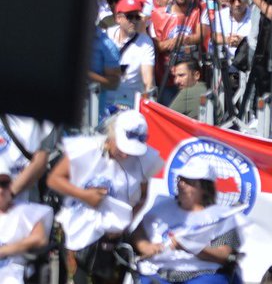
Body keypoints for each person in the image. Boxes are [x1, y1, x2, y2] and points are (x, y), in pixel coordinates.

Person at [49, 111, 163, 283]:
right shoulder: (87, 149)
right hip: (79, 229)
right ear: (112, 134)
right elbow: (54, 179)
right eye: (122, 148)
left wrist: (127, 221)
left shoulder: (144, 160)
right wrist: (84, 195)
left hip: (114, 238)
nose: (125, 155)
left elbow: (143, 195)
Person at [131, 158, 241, 284]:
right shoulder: (161, 206)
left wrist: (191, 247)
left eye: (189, 182)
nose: (181, 184)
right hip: (156, 272)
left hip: (202, 275)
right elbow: (139, 232)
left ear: (204, 188)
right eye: (181, 179)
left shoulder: (221, 216)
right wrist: (145, 246)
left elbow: (224, 256)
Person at [0, 159, 52, 284]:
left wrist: (4, 251)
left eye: (4, 184)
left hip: (12, 273)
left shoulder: (25, 211)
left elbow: (40, 239)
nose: (1, 190)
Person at [107, 0, 157, 108]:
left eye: (137, 17)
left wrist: (150, 101)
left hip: (130, 104)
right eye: (130, 17)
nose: (134, 21)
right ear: (118, 18)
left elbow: (148, 80)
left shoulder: (145, 42)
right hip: (106, 102)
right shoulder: (107, 35)